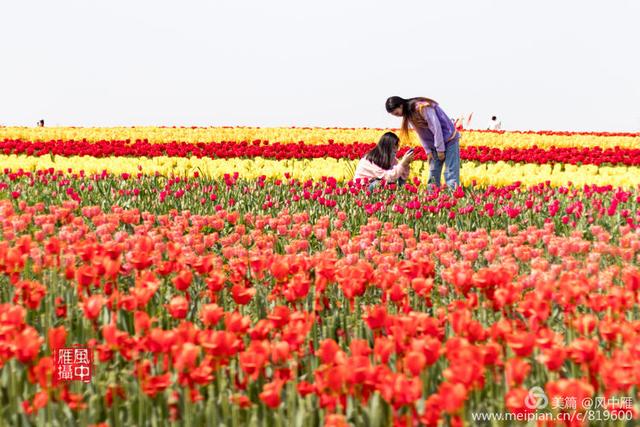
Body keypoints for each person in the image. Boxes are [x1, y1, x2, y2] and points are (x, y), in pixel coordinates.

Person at [385, 96, 460, 188]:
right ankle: (432, 196)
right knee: (433, 172)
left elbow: (436, 128)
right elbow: (420, 133)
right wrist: (428, 151)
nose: (398, 116)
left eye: (396, 113)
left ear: (401, 105)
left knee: (450, 171)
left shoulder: (422, 107)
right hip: (434, 144)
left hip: (449, 139)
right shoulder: (409, 114)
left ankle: (453, 196)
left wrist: (440, 149)